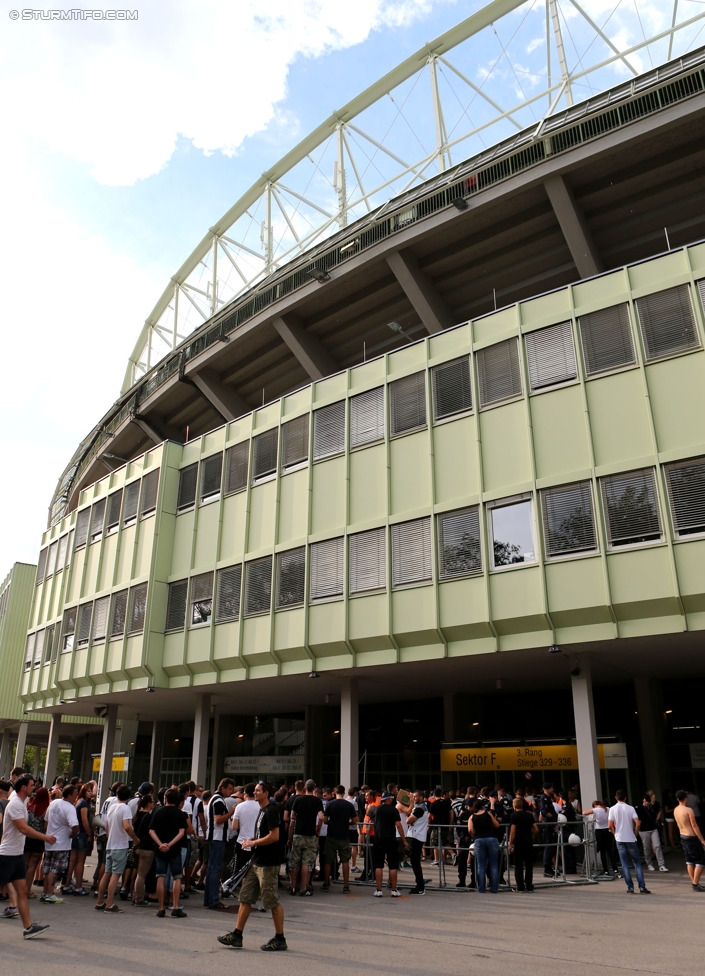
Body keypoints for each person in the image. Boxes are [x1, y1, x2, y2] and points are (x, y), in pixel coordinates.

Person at [217, 781, 287, 952]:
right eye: (254, 790)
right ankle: (237, 934)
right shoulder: (261, 810)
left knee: (271, 901)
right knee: (245, 897)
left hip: (268, 864)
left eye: (258, 791)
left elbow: (275, 836)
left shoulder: (271, 811)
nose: (254, 793)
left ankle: (280, 938)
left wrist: (253, 842)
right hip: (255, 861)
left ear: (266, 793)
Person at [0, 775, 56, 939]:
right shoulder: (16, 804)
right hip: (7, 855)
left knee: (22, 892)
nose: (34, 788)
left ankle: (29, 927)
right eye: (32, 785)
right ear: (23, 787)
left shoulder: (22, 802)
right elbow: (23, 828)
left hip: (16, 855)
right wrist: (45, 837)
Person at [96, 784, 138, 913]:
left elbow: (107, 826)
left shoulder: (112, 807)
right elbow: (127, 826)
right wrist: (135, 838)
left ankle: (100, 902)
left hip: (110, 844)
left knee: (107, 873)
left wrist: (110, 837)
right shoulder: (125, 808)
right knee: (115, 875)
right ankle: (109, 904)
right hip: (120, 845)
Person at [149, 787, 188, 917]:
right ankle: (175, 906)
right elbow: (182, 832)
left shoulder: (158, 812)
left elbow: (151, 831)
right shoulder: (179, 814)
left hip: (160, 849)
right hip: (175, 849)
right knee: (177, 877)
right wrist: (170, 844)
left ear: (165, 798)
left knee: (161, 876)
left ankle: (161, 908)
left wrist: (161, 844)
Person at [608, 790, 650, 895]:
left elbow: (609, 825)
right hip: (631, 838)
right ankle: (642, 887)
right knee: (637, 863)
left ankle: (630, 887)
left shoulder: (612, 809)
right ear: (625, 798)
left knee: (624, 864)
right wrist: (635, 833)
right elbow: (638, 823)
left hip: (620, 838)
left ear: (616, 798)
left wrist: (615, 834)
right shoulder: (630, 808)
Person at [42, 784, 79, 903]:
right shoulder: (69, 807)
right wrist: (73, 834)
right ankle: (49, 893)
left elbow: (46, 822)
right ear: (69, 795)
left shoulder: (53, 803)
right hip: (61, 842)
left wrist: (47, 833)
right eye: (75, 794)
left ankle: (45, 893)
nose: (76, 796)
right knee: (54, 869)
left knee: (47, 868)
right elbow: (75, 825)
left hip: (49, 840)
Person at [288, 778, 323, 896]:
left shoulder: (298, 800)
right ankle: (304, 888)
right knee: (306, 863)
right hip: (310, 835)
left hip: (298, 833)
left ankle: (293, 887)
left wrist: (290, 836)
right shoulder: (317, 801)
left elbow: (292, 818)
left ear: (304, 788)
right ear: (314, 788)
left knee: (294, 862)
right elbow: (321, 817)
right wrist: (317, 830)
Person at [204, 778, 235, 910]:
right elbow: (218, 820)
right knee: (215, 869)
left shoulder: (215, 799)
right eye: (229, 789)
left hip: (215, 837)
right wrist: (232, 812)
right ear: (222, 788)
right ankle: (214, 900)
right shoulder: (218, 801)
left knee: (212, 869)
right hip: (217, 838)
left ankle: (209, 898)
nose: (231, 792)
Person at [322, 785, 358, 892]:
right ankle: (346, 885)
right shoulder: (348, 805)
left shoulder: (330, 804)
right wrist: (348, 823)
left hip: (331, 835)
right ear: (344, 793)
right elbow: (355, 820)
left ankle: (326, 883)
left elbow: (324, 820)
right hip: (344, 835)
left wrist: (331, 823)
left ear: (334, 792)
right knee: (345, 861)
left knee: (328, 860)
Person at [371, 791, 407, 897]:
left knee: (378, 865)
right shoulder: (393, 810)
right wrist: (404, 840)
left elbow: (372, 820)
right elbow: (398, 825)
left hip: (378, 838)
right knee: (392, 865)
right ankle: (394, 890)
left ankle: (378, 889)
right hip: (390, 839)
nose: (392, 799)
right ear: (388, 799)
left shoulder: (376, 809)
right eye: (391, 798)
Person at [673, 789, 705, 891]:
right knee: (701, 860)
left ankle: (694, 882)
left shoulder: (676, 810)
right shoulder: (688, 810)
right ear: (685, 798)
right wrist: (702, 839)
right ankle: (695, 883)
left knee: (689, 861)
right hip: (691, 837)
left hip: (682, 836)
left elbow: (678, 824)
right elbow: (694, 826)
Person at [400, 789, 428, 895]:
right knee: (414, 861)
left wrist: (410, 817)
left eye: (415, 797)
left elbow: (408, 820)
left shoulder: (420, 808)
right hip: (416, 835)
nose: (414, 798)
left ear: (421, 797)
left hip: (416, 836)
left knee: (415, 862)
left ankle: (420, 886)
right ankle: (419, 885)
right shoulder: (420, 807)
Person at [469, 798, 500, 893]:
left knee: (481, 865)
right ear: (483, 806)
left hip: (479, 839)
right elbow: (497, 825)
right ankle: (494, 888)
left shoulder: (472, 817)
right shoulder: (488, 814)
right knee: (493, 864)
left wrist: (474, 836)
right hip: (491, 838)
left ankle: (481, 888)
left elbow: (470, 830)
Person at [509, 796, 538, 891]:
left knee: (519, 865)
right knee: (529, 865)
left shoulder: (514, 816)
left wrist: (510, 843)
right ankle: (529, 885)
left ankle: (520, 886)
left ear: (514, 806)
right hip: (528, 841)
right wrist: (531, 834)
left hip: (519, 842)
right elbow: (536, 829)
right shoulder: (529, 815)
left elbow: (513, 830)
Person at [635, 795, 668, 873]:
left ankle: (661, 864)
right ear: (643, 801)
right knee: (647, 848)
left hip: (653, 828)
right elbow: (638, 820)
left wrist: (657, 820)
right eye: (645, 801)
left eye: (647, 801)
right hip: (644, 830)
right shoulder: (639, 808)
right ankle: (649, 864)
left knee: (657, 846)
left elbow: (658, 812)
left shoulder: (652, 807)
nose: (646, 803)